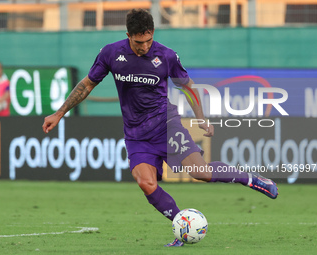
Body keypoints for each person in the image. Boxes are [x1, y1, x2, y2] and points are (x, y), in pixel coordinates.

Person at [42, 9, 278, 247]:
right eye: (138, 42)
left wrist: (201, 118)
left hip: (166, 125)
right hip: (135, 134)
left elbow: (188, 87)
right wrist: (60, 113)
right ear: (128, 35)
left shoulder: (166, 56)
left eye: (148, 40)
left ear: (152, 33)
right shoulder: (111, 53)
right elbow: (86, 85)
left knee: (201, 173)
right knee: (146, 183)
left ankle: (250, 179)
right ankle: (181, 226)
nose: (144, 46)